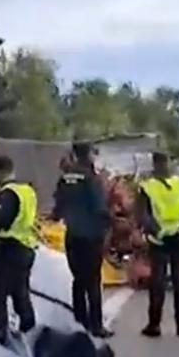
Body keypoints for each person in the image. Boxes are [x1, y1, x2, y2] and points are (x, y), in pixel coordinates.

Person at [53, 143, 113, 336]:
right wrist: (109, 225)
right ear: (88, 155)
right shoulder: (91, 179)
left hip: (73, 235)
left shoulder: (64, 178)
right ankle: (96, 326)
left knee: (78, 280)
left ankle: (80, 323)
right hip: (91, 236)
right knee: (93, 281)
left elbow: (58, 209)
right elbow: (99, 208)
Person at [137, 152, 179, 337]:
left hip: (160, 240)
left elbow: (143, 215)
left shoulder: (148, 187)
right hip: (178, 238)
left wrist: (155, 230)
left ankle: (154, 325)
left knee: (159, 282)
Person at [0, 154, 38, 339]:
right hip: (26, 247)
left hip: (10, 249)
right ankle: (29, 328)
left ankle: (0, 330)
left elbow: (1, 221)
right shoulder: (27, 191)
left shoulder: (8, 194)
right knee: (19, 290)